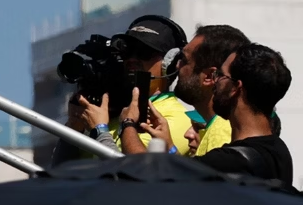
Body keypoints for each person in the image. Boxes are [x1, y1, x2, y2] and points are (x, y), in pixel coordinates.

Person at [51, 15, 193, 164]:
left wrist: (100, 130)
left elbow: (136, 174)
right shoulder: (112, 116)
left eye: (144, 52)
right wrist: (73, 129)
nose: (132, 59)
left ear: (170, 63)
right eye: (127, 51)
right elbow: (61, 172)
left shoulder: (178, 119)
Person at [142, 43, 292, 183]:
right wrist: (169, 146)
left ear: (235, 88)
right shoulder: (280, 152)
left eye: (221, 75)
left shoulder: (227, 161)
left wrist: (128, 124)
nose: (215, 81)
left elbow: (157, 179)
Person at [174, 25, 249, 156]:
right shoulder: (220, 127)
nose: (177, 65)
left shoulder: (221, 133)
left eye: (185, 60)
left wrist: (129, 126)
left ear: (209, 76)